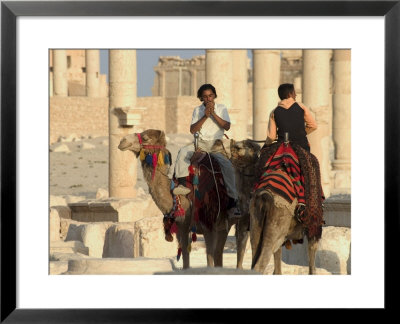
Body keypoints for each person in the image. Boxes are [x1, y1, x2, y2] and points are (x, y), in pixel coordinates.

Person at [173, 84, 241, 219]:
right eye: (205, 97)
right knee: (182, 153)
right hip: (200, 144)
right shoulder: (197, 110)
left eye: (210, 96)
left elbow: (226, 126)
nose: (208, 99)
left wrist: (213, 114)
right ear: (201, 98)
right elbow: (193, 130)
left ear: (214, 96)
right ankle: (181, 185)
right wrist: (205, 116)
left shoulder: (221, 108)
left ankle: (233, 201)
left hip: (216, 144)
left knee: (227, 166)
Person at [266, 83, 317, 151]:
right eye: (294, 93)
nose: (296, 95)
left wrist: (266, 144)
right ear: (289, 94)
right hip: (302, 145)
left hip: (282, 147)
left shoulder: (274, 112)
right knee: (311, 161)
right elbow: (313, 126)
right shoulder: (301, 106)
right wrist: (300, 133)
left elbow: (272, 137)